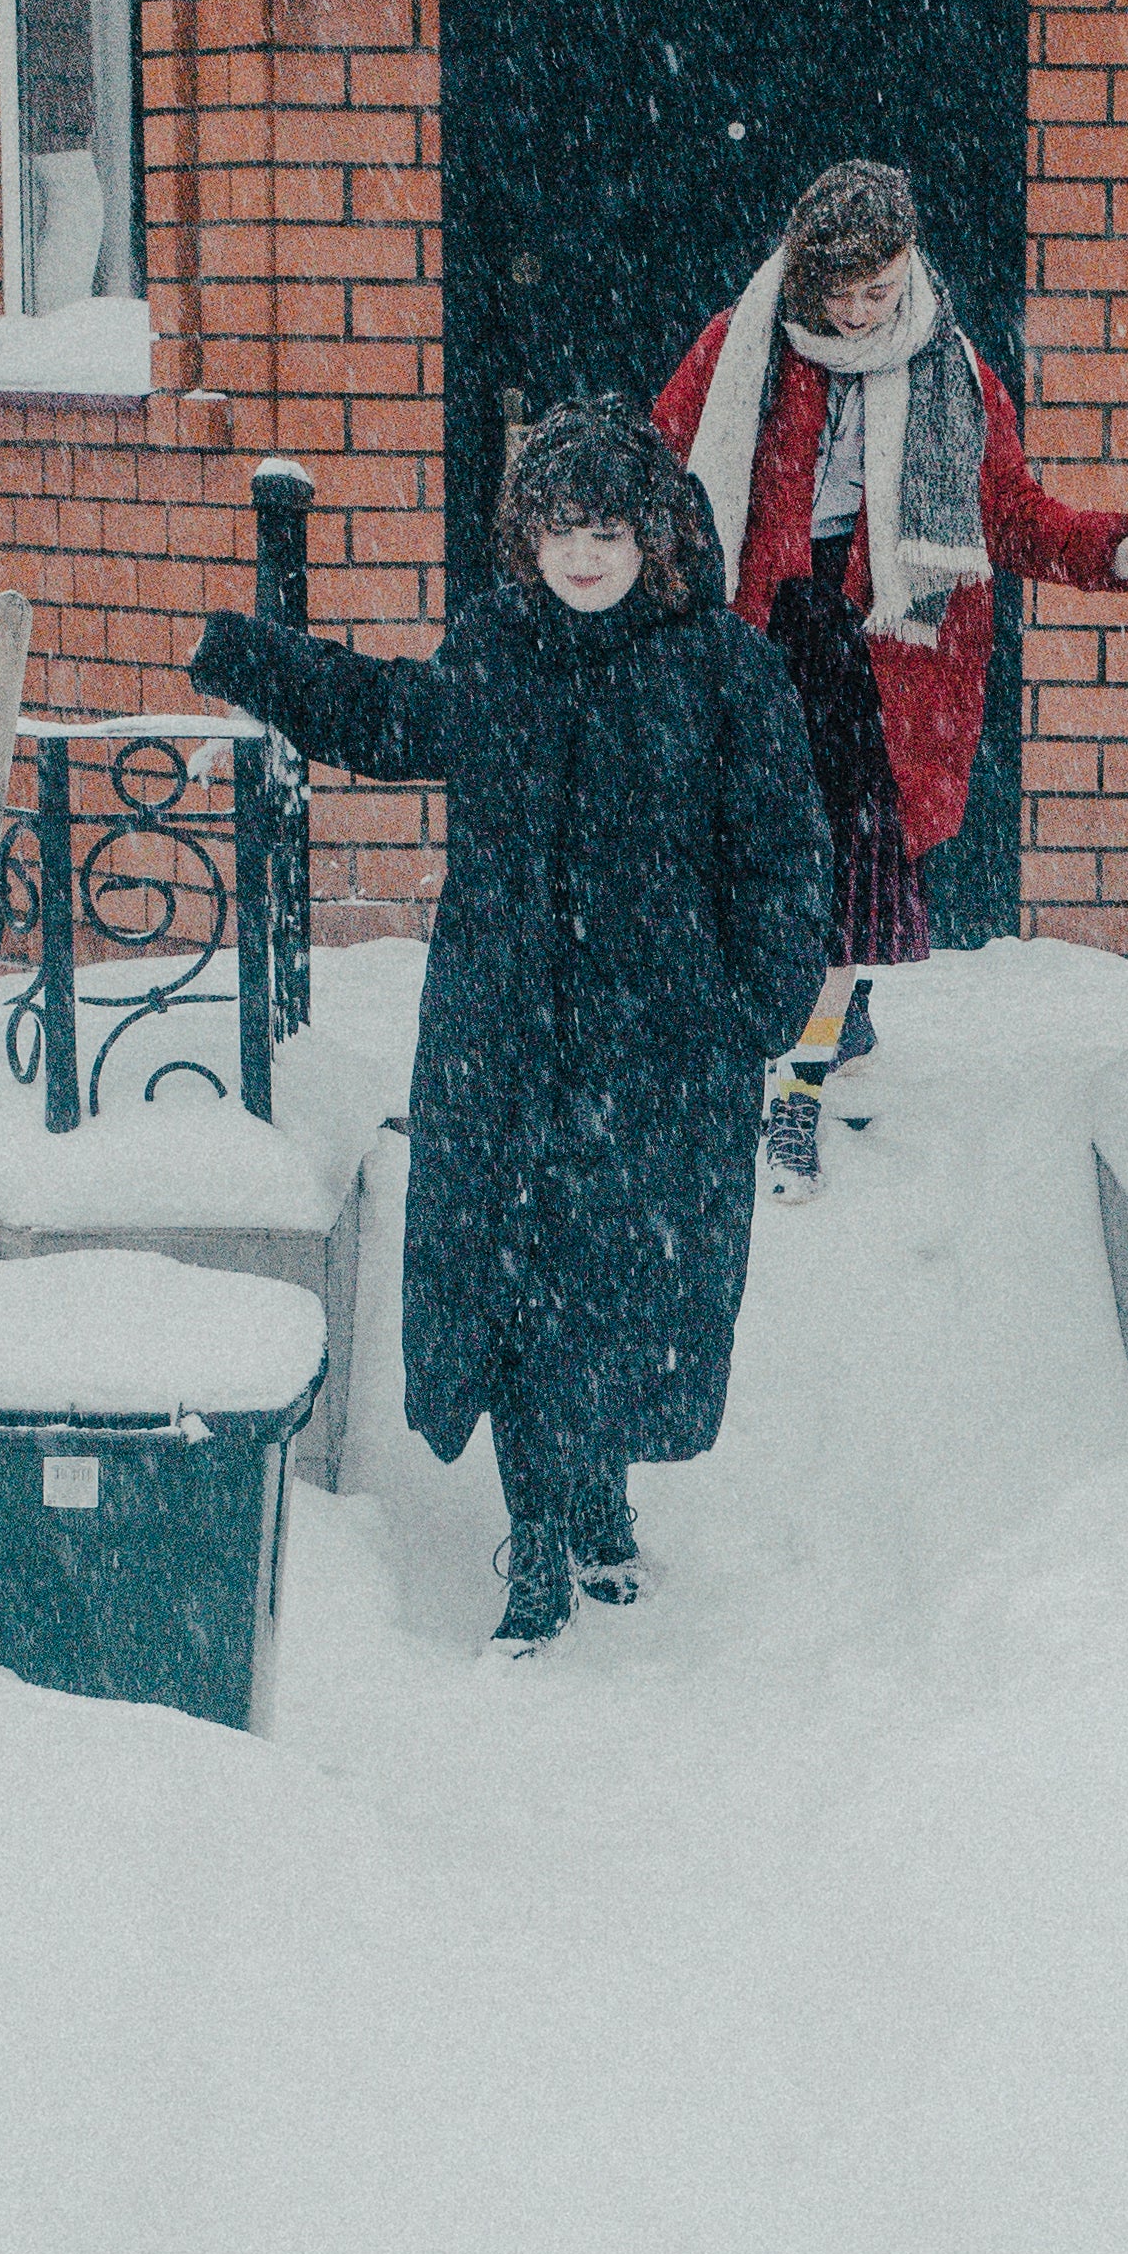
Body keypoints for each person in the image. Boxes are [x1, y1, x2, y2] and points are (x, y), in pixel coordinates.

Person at [192, 402, 831, 1656]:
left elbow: (781, 851)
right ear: (524, 538)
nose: (582, 555)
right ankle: (535, 1551)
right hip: (507, 1036)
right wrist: (251, 658)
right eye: (557, 530)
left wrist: (759, 1004)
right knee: (519, 1293)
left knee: (629, 1285)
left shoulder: (721, 666)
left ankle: (602, 1500)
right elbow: (387, 718)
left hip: (661, 1047)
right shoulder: (495, 649)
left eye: (605, 529)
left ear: (650, 534)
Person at [655, 159, 1128, 1191]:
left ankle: (793, 1098)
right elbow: (660, 470)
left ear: (908, 264)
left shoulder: (954, 371)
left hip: (883, 659)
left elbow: (1007, 512)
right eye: (834, 292)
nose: (853, 313)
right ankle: (798, 1018)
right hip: (755, 639)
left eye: (875, 290)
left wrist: (1108, 549)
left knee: (845, 878)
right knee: (745, 856)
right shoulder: (739, 344)